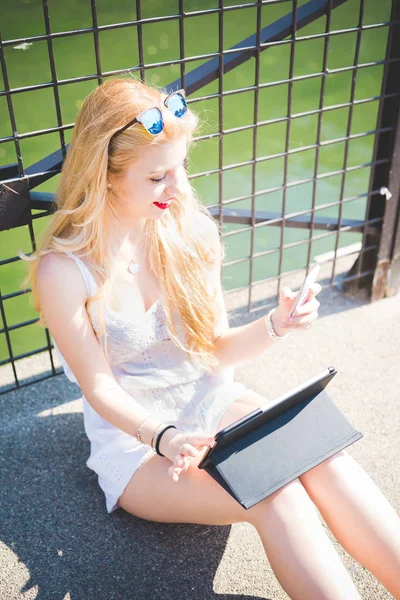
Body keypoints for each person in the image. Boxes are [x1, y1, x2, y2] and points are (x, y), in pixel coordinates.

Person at [20, 76, 400, 600]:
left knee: (323, 452)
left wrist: (276, 324)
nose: (177, 188)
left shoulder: (188, 231)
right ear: (104, 174)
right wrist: (164, 434)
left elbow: (214, 348)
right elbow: (100, 388)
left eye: (179, 167)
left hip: (216, 403)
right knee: (277, 494)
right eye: (157, 176)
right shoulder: (65, 271)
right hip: (141, 449)